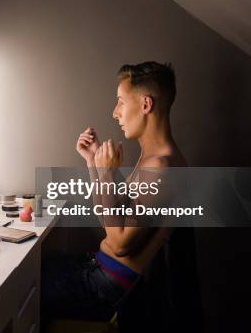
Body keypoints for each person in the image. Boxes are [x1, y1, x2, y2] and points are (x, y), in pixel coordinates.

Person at [41, 61, 187, 326]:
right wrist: (94, 165)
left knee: (27, 284)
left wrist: (107, 173)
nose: (114, 113)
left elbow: (119, 243)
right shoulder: (153, 159)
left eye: (120, 101)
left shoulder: (161, 167)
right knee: (41, 266)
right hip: (99, 270)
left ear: (145, 105)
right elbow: (111, 221)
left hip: (107, 288)